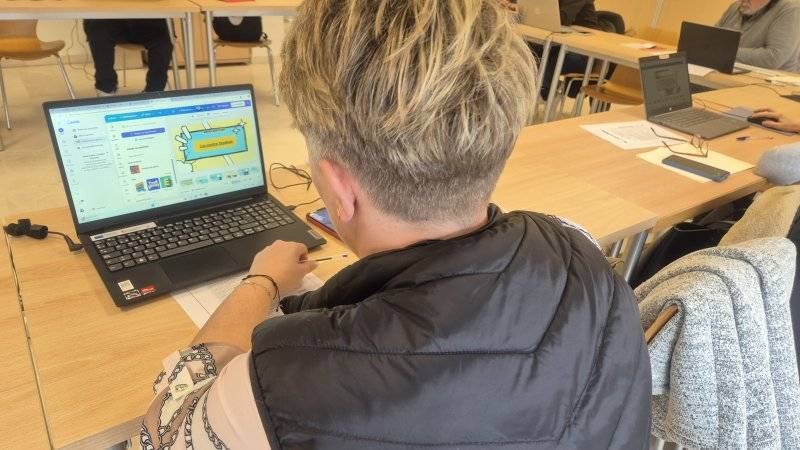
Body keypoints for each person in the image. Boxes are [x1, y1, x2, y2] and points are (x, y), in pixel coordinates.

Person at [140, 0, 652, 448]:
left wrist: (262, 281)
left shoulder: (285, 384)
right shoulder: (582, 253)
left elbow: (163, 431)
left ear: (340, 190)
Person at [530, 0, 602, 99]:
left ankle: (545, 93)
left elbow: (562, 18)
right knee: (528, 48)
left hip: (583, 52)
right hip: (559, 45)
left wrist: (533, 14)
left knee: (549, 57)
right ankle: (538, 90)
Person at [83, 19, 173, 95]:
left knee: (163, 38)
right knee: (96, 27)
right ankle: (106, 87)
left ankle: (155, 90)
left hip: (147, 22)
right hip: (112, 22)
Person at [716, 0, 800, 72]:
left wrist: (724, 52)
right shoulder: (736, 7)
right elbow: (712, 41)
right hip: (726, 75)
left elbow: (773, 58)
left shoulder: (790, 8)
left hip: (770, 82)